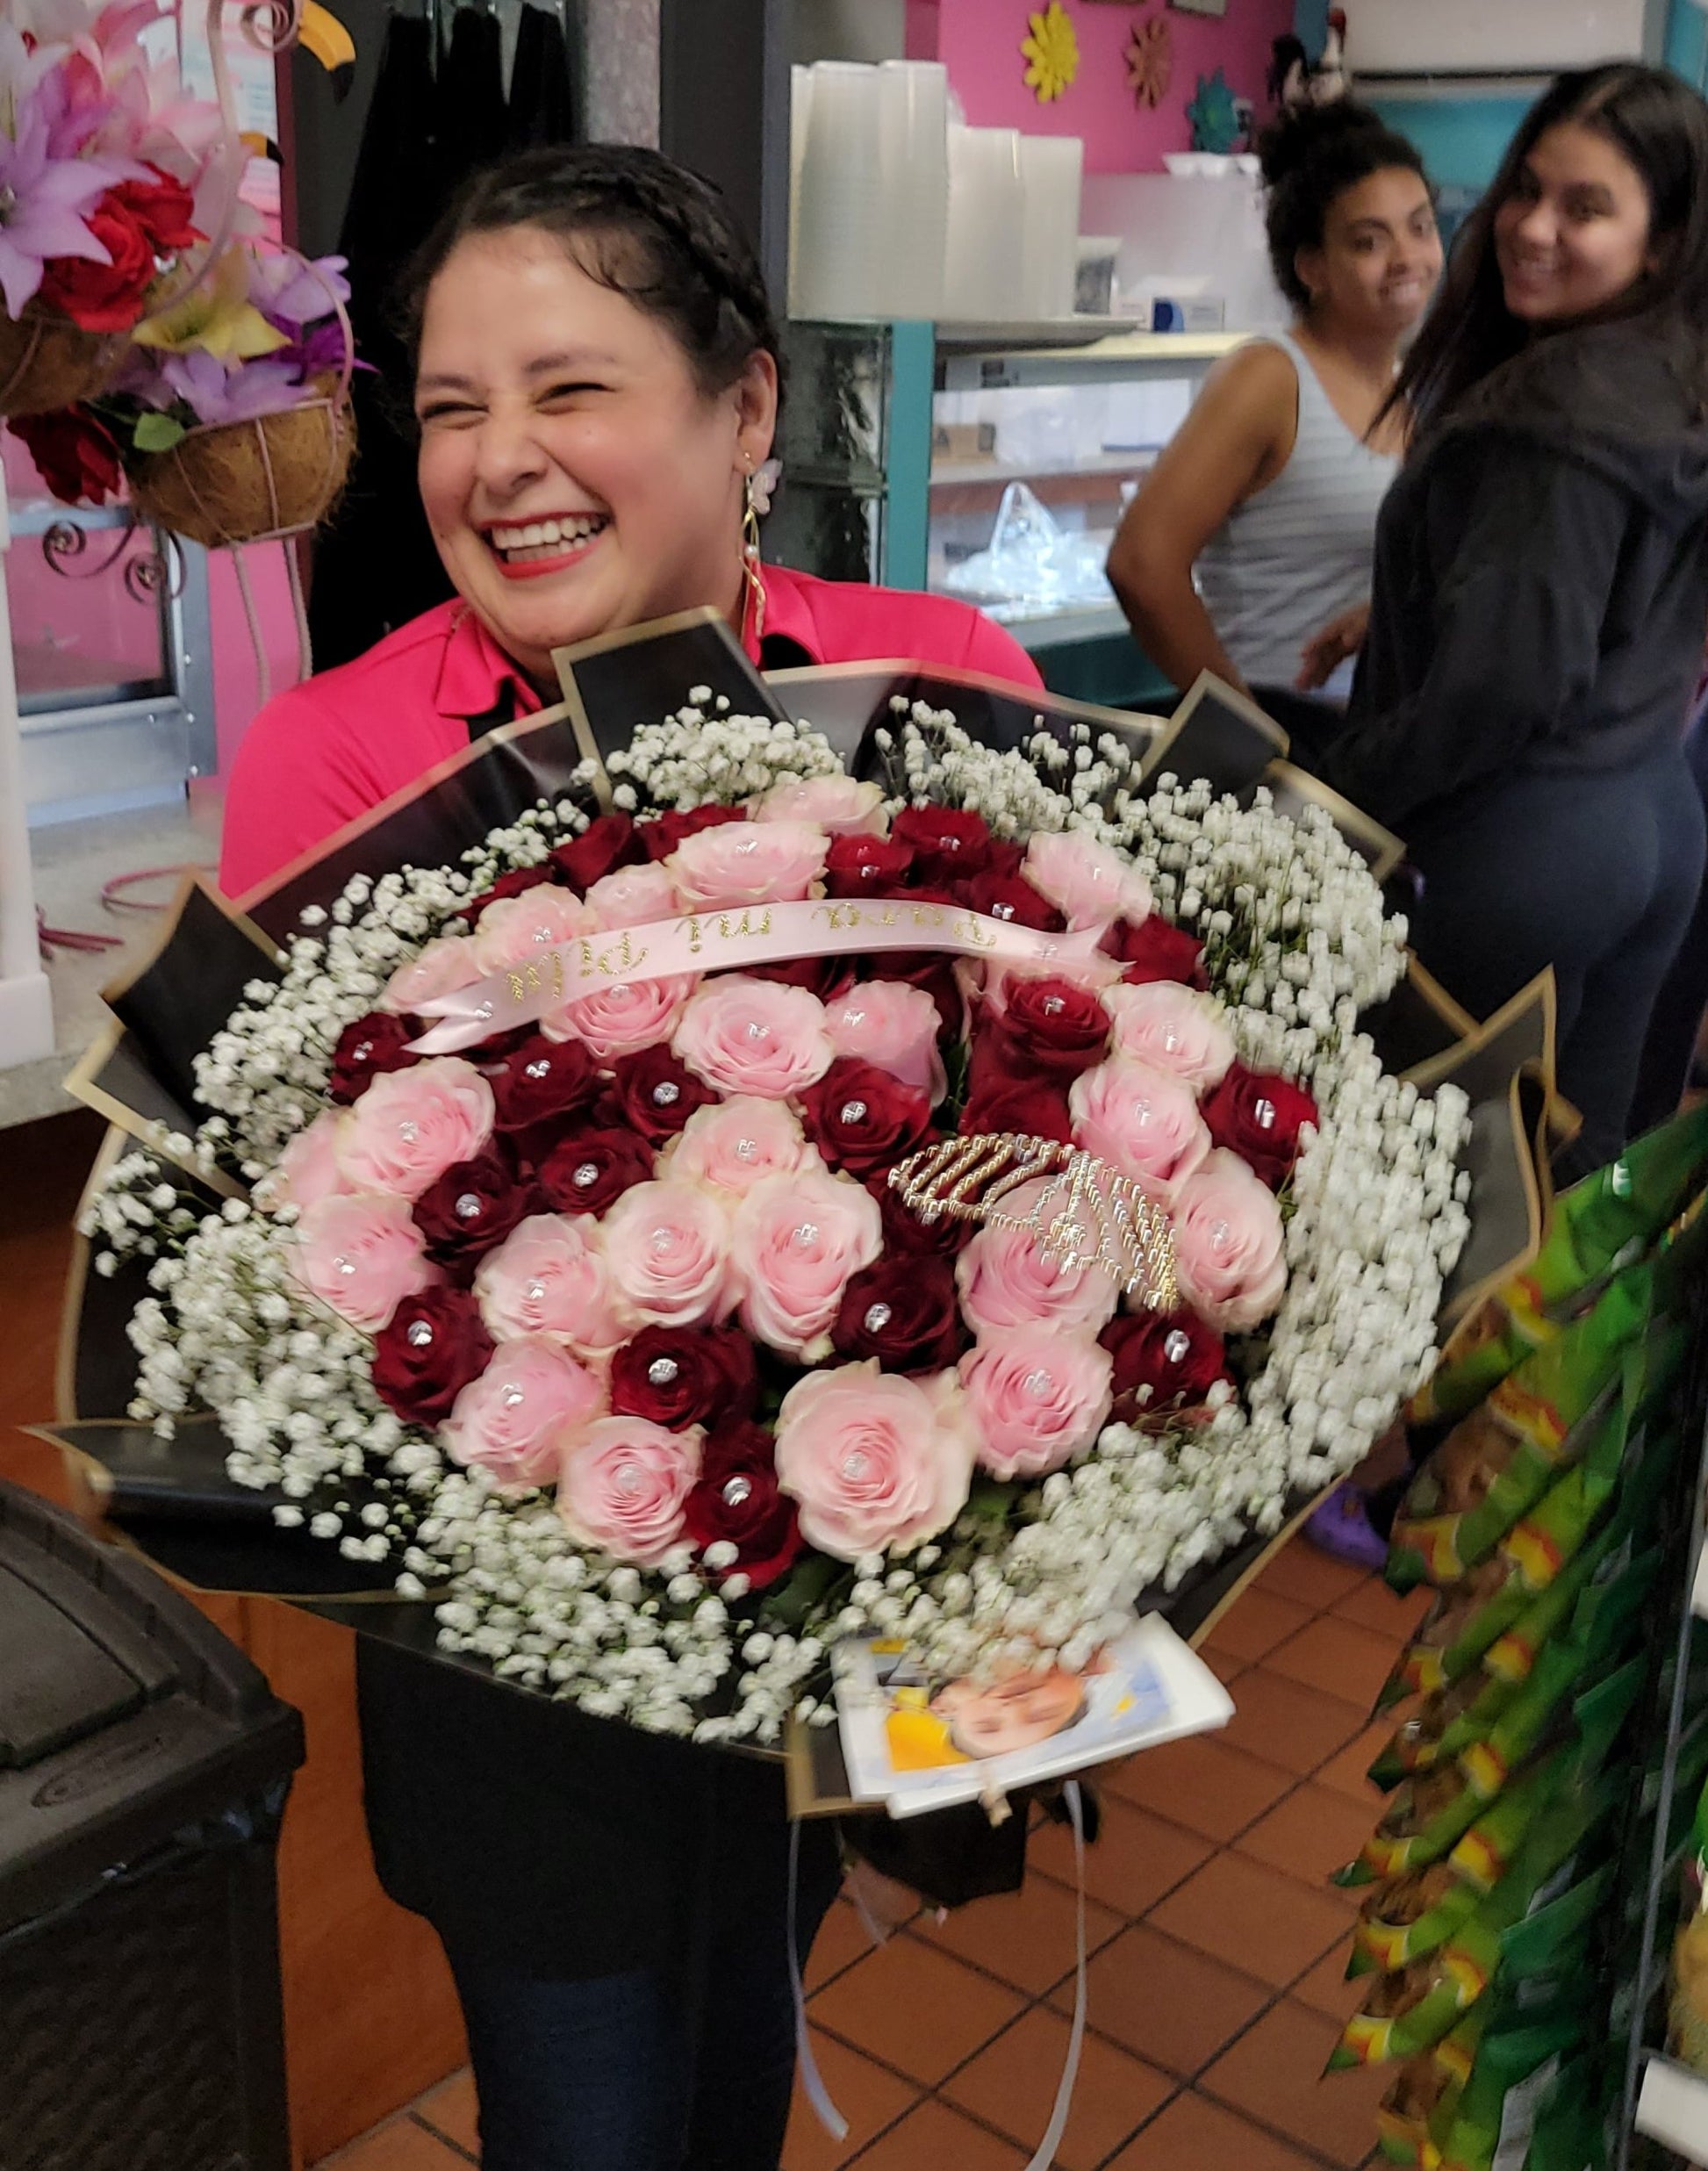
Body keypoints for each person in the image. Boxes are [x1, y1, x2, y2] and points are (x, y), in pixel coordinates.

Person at [219, 144, 1043, 2171]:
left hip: (843, 1559)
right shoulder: (341, 762)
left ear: (747, 408)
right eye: (449, 407)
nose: (500, 460)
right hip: (528, 1641)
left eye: (568, 387)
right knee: (585, 2117)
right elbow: (305, 1240)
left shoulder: (935, 685)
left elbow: (1064, 1123)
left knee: (743, 2040)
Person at [1307, 65, 1708, 1571]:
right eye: (1526, 189)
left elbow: (1503, 689)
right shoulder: (1673, 379)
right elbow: (1583, 620)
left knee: (1429, 1190)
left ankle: (1387, 1475)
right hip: (1648, 822)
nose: (1533, 227)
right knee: (1570, 1189)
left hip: (1522, 845)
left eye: (1583, 207)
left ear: (1661, 239)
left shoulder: (1553, 409)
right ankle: (1524, 1492)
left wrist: (1334, 798)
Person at [1104, 103, 1440, 758]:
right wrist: (1248, 731)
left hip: (1375, 737)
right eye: (1369, 242)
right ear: (1312, 267)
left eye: (1421, 228)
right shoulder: (1269, 379)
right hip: (1289, 725)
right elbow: (1142, 563)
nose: (1407, 258)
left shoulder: (1412, 391)